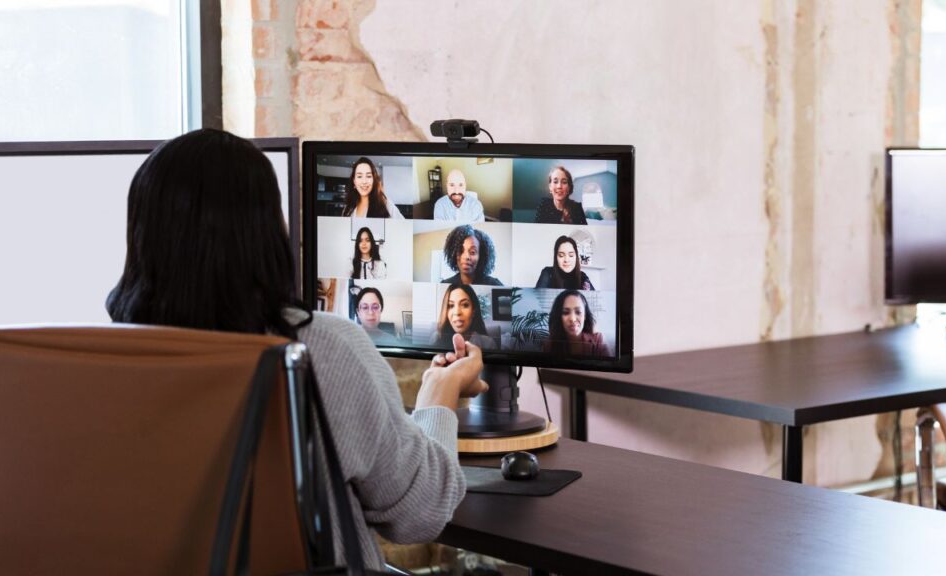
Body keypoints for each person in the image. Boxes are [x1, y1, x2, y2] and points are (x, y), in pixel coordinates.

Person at [105, 128, 484, 571]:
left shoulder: (108, 365)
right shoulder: (322, 350)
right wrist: (439, 394)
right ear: (265, 233)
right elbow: (418, 514)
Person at [542, 289, 611, 356]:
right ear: (559, 316)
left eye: (578, 312)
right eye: (565, 312)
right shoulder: (549, 344)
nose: (572, 319)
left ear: (585, 316)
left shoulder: (598, 341)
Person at [431, 284, 498, 350]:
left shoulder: (488, 343)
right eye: (451, 306)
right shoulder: (437, 338)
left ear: (473, 311)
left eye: (465, 305)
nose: (457, 312)